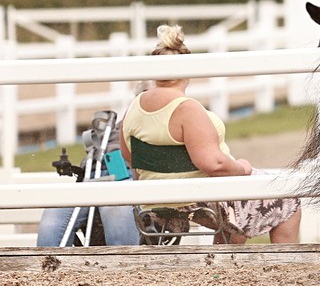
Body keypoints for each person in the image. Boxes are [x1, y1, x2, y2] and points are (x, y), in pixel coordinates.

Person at [119, 25, 301, 243]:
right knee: (288, 199)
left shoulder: (134, 106)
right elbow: (214, 165)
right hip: (197, 198)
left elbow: (128, 155)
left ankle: (222, 265)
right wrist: (242, 168)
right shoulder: (186, 109)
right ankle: (279, 264)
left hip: (152, 199)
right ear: (188, 71)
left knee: (239, 203)